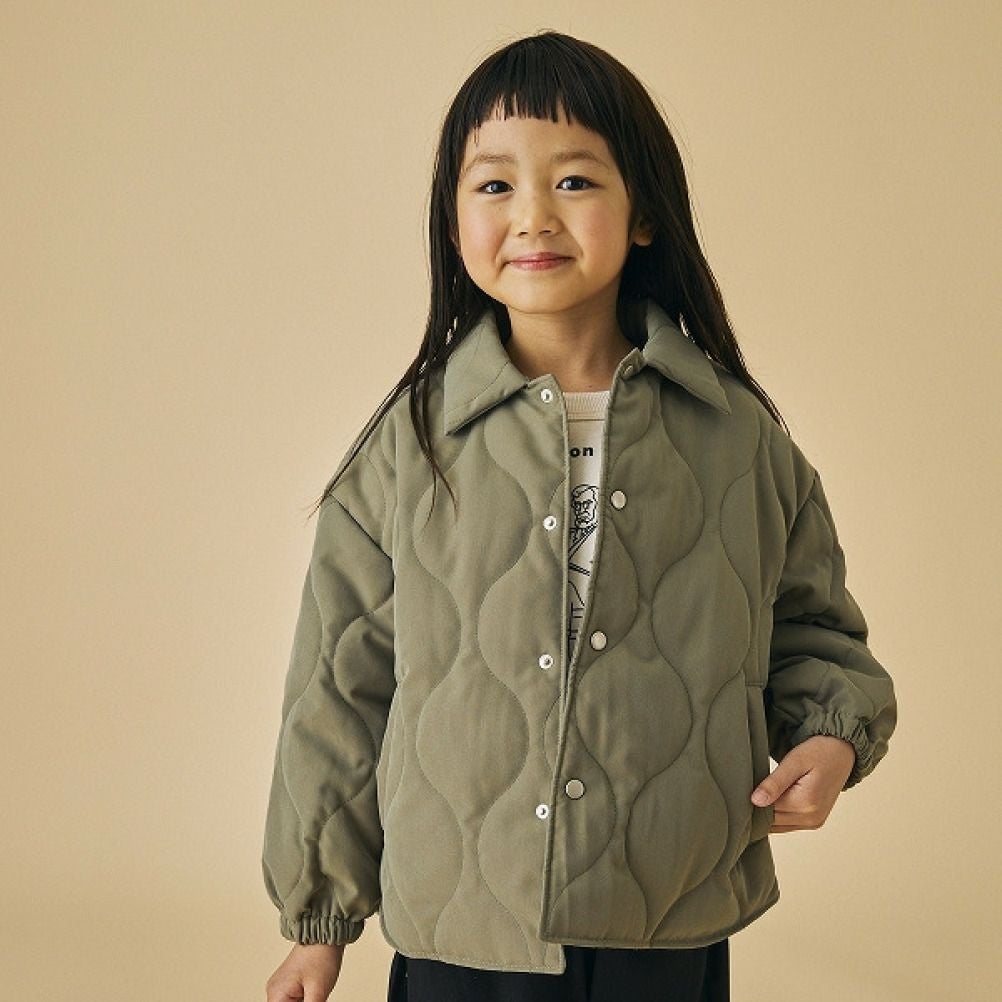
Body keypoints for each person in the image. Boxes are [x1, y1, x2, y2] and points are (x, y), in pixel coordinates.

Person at [261, 29, 897, 1002]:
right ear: (452, 220)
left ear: (644, 214)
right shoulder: (407, 446)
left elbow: (811, 629)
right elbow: (339, 687)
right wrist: (319, 924)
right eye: (494, 185)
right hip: (465, 924)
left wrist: (831, 736)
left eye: (574, 181)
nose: (533, 216)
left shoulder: (739, 441)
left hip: (666, 912)